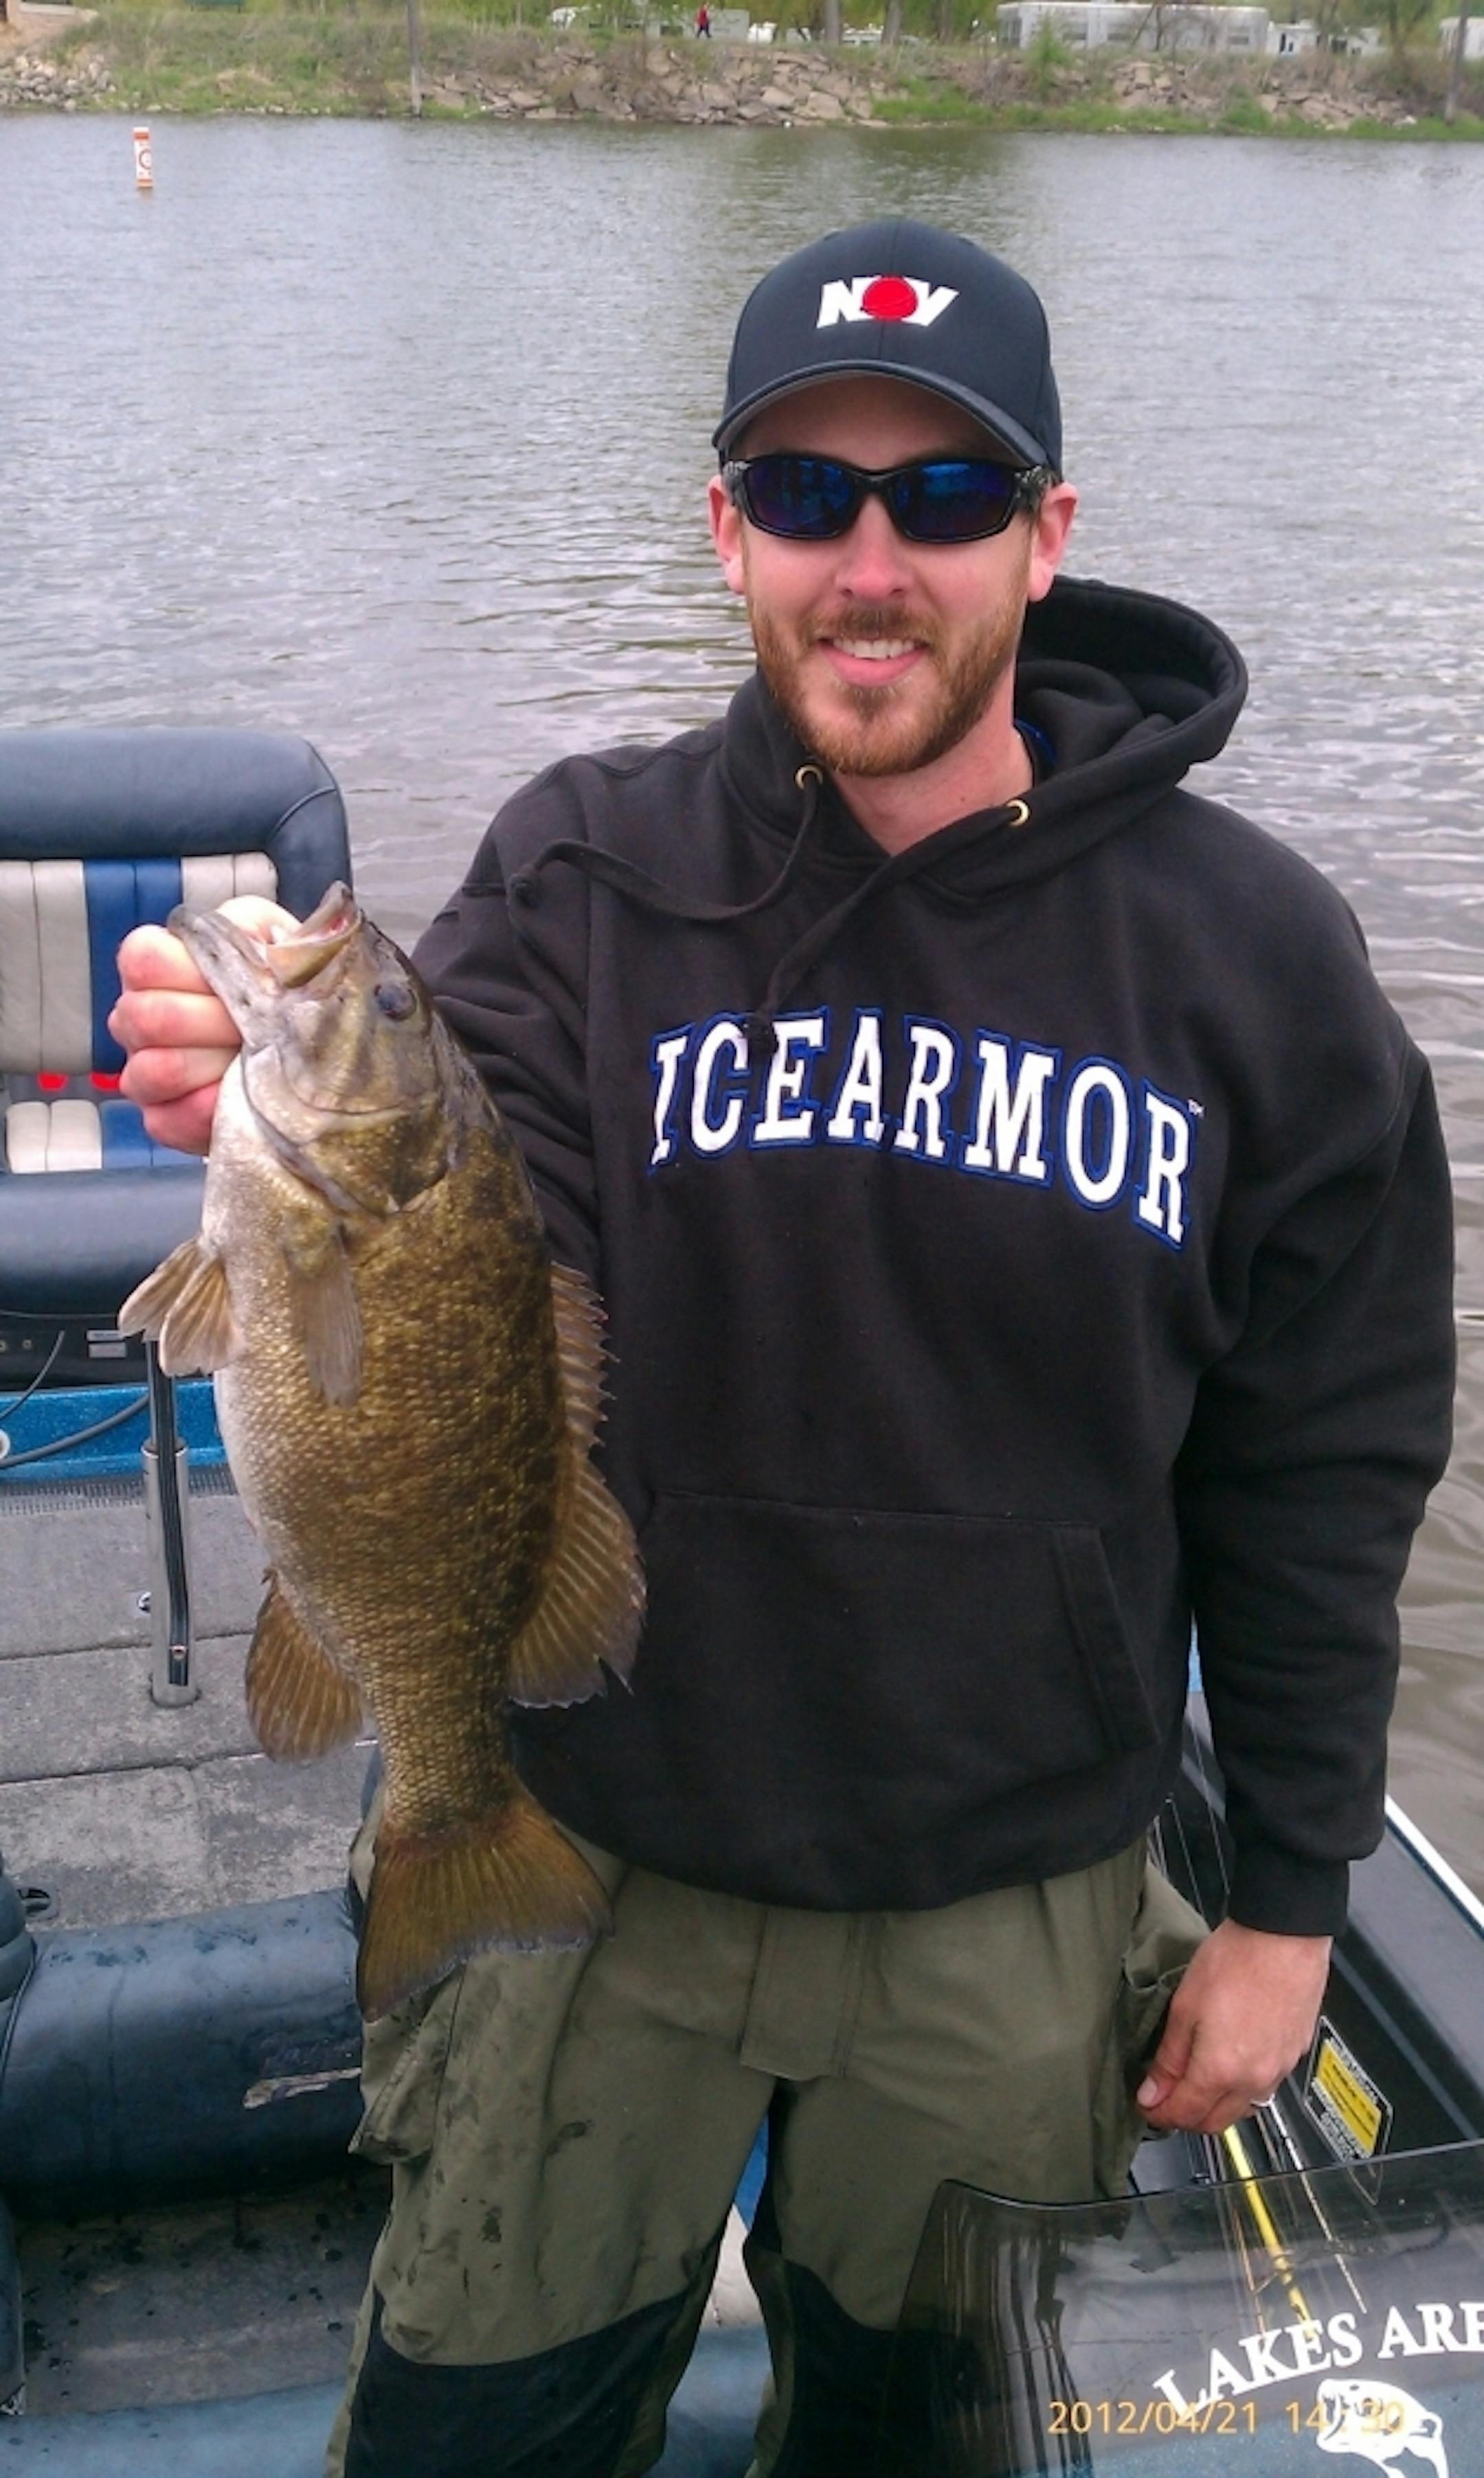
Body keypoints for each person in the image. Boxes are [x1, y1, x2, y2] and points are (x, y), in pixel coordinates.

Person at [111, 218, 1454, 2477]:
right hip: (591, 1849)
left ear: (1047, 533)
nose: (872, 563)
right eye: (809, 495)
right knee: (479, 2433)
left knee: (919, 2439)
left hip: (1006, 1906)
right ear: (727, 530)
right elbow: (460, 1183)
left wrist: (1292, 1905)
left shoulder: (1261, 969)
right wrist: (237, 1109)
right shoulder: (580, 875)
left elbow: (1322, 1464)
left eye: (942, 498)